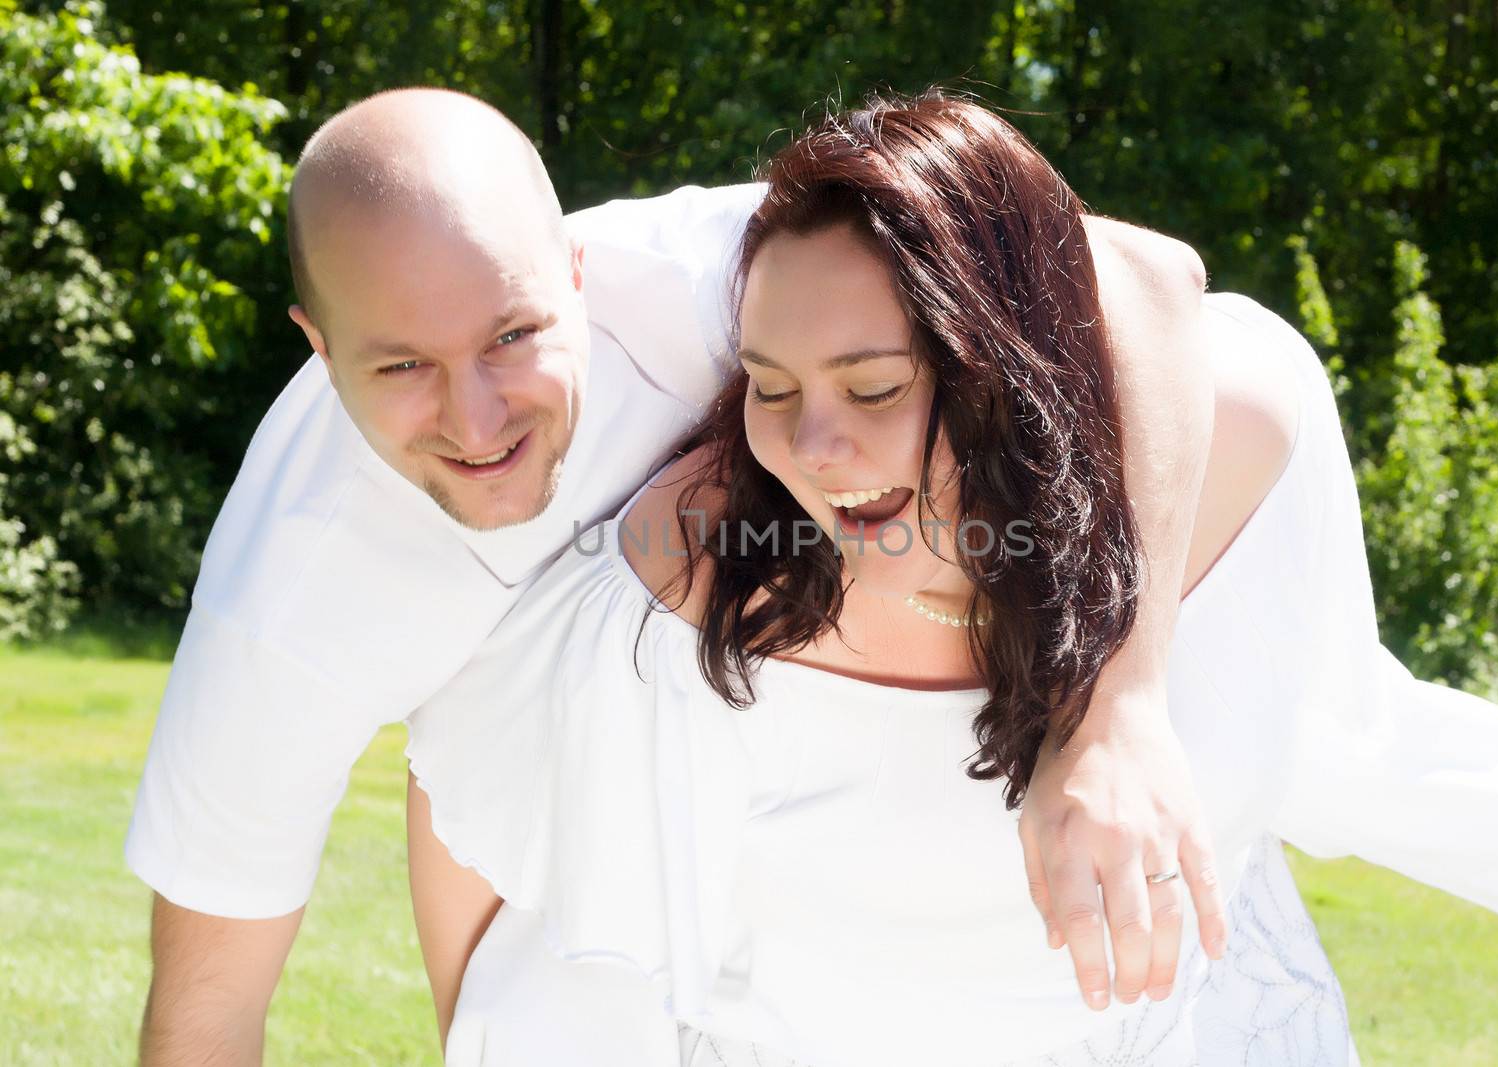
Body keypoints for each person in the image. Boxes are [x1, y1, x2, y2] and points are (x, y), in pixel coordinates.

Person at [405, 92, 1498, 1066]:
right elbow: (476, 800)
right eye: (771, 386)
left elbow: (1157, 276)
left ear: (1006, 362)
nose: (813, 447)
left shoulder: (1232, 436)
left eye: (874, 386)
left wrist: (1116, 700)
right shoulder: (706, 556)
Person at [125, 87, 1223, 1064]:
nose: (477, 418)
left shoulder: (724, 279)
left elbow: (1144, 275)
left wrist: (1118, 706)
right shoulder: (286, 610)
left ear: (577, 272)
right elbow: (207, 1011)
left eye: (512, 336)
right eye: (403, 365)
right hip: (553, 869)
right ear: (317, 348)